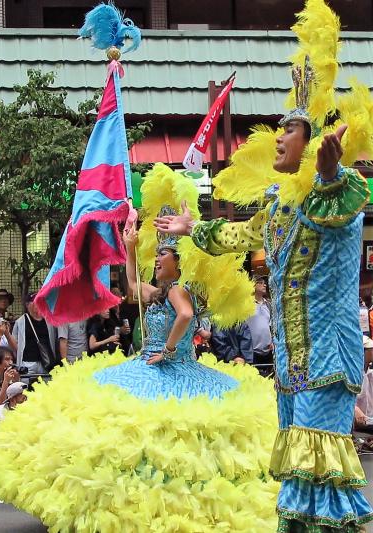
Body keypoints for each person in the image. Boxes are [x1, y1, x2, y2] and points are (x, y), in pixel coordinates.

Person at [154, 1, 373, 529]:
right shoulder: (277, 209)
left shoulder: (341, 190)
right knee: (298, 472)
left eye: (288, 130)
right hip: (292, 363)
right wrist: (192, 229)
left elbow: (344, 202)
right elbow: (238, 235)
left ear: (314, 141)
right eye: (278, 128)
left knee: (317, 467)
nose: (277, 136)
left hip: (328, 353)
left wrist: (330, 174)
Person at [0, 171, 279, 531]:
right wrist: (131, 247)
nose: (159, 260)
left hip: (174, 369)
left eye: (164, 255)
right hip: (148, 364)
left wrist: (168, 350)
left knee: (174, 436)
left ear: (178, 262)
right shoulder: (159, 290)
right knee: (141, 435)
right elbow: (133, 287)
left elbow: (185, 315)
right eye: (159, 255)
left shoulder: (178, 290)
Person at [12, 292, 57, 374]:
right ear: (27, 304)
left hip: (46, 362)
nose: (37, 303)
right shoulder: (20, 322)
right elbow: (15, 342)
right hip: (28, 362)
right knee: (26, 385)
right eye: (34, 301)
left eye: (40, 301)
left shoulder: (49, 320)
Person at [245, 276, 273, 367]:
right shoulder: (246, 304)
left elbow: (272, 326)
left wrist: (273, 341)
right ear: (253, 285)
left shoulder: (268, 304)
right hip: (252, 351)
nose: (264, 285)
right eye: (260, 282)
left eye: (264, 283)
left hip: (269, 350)